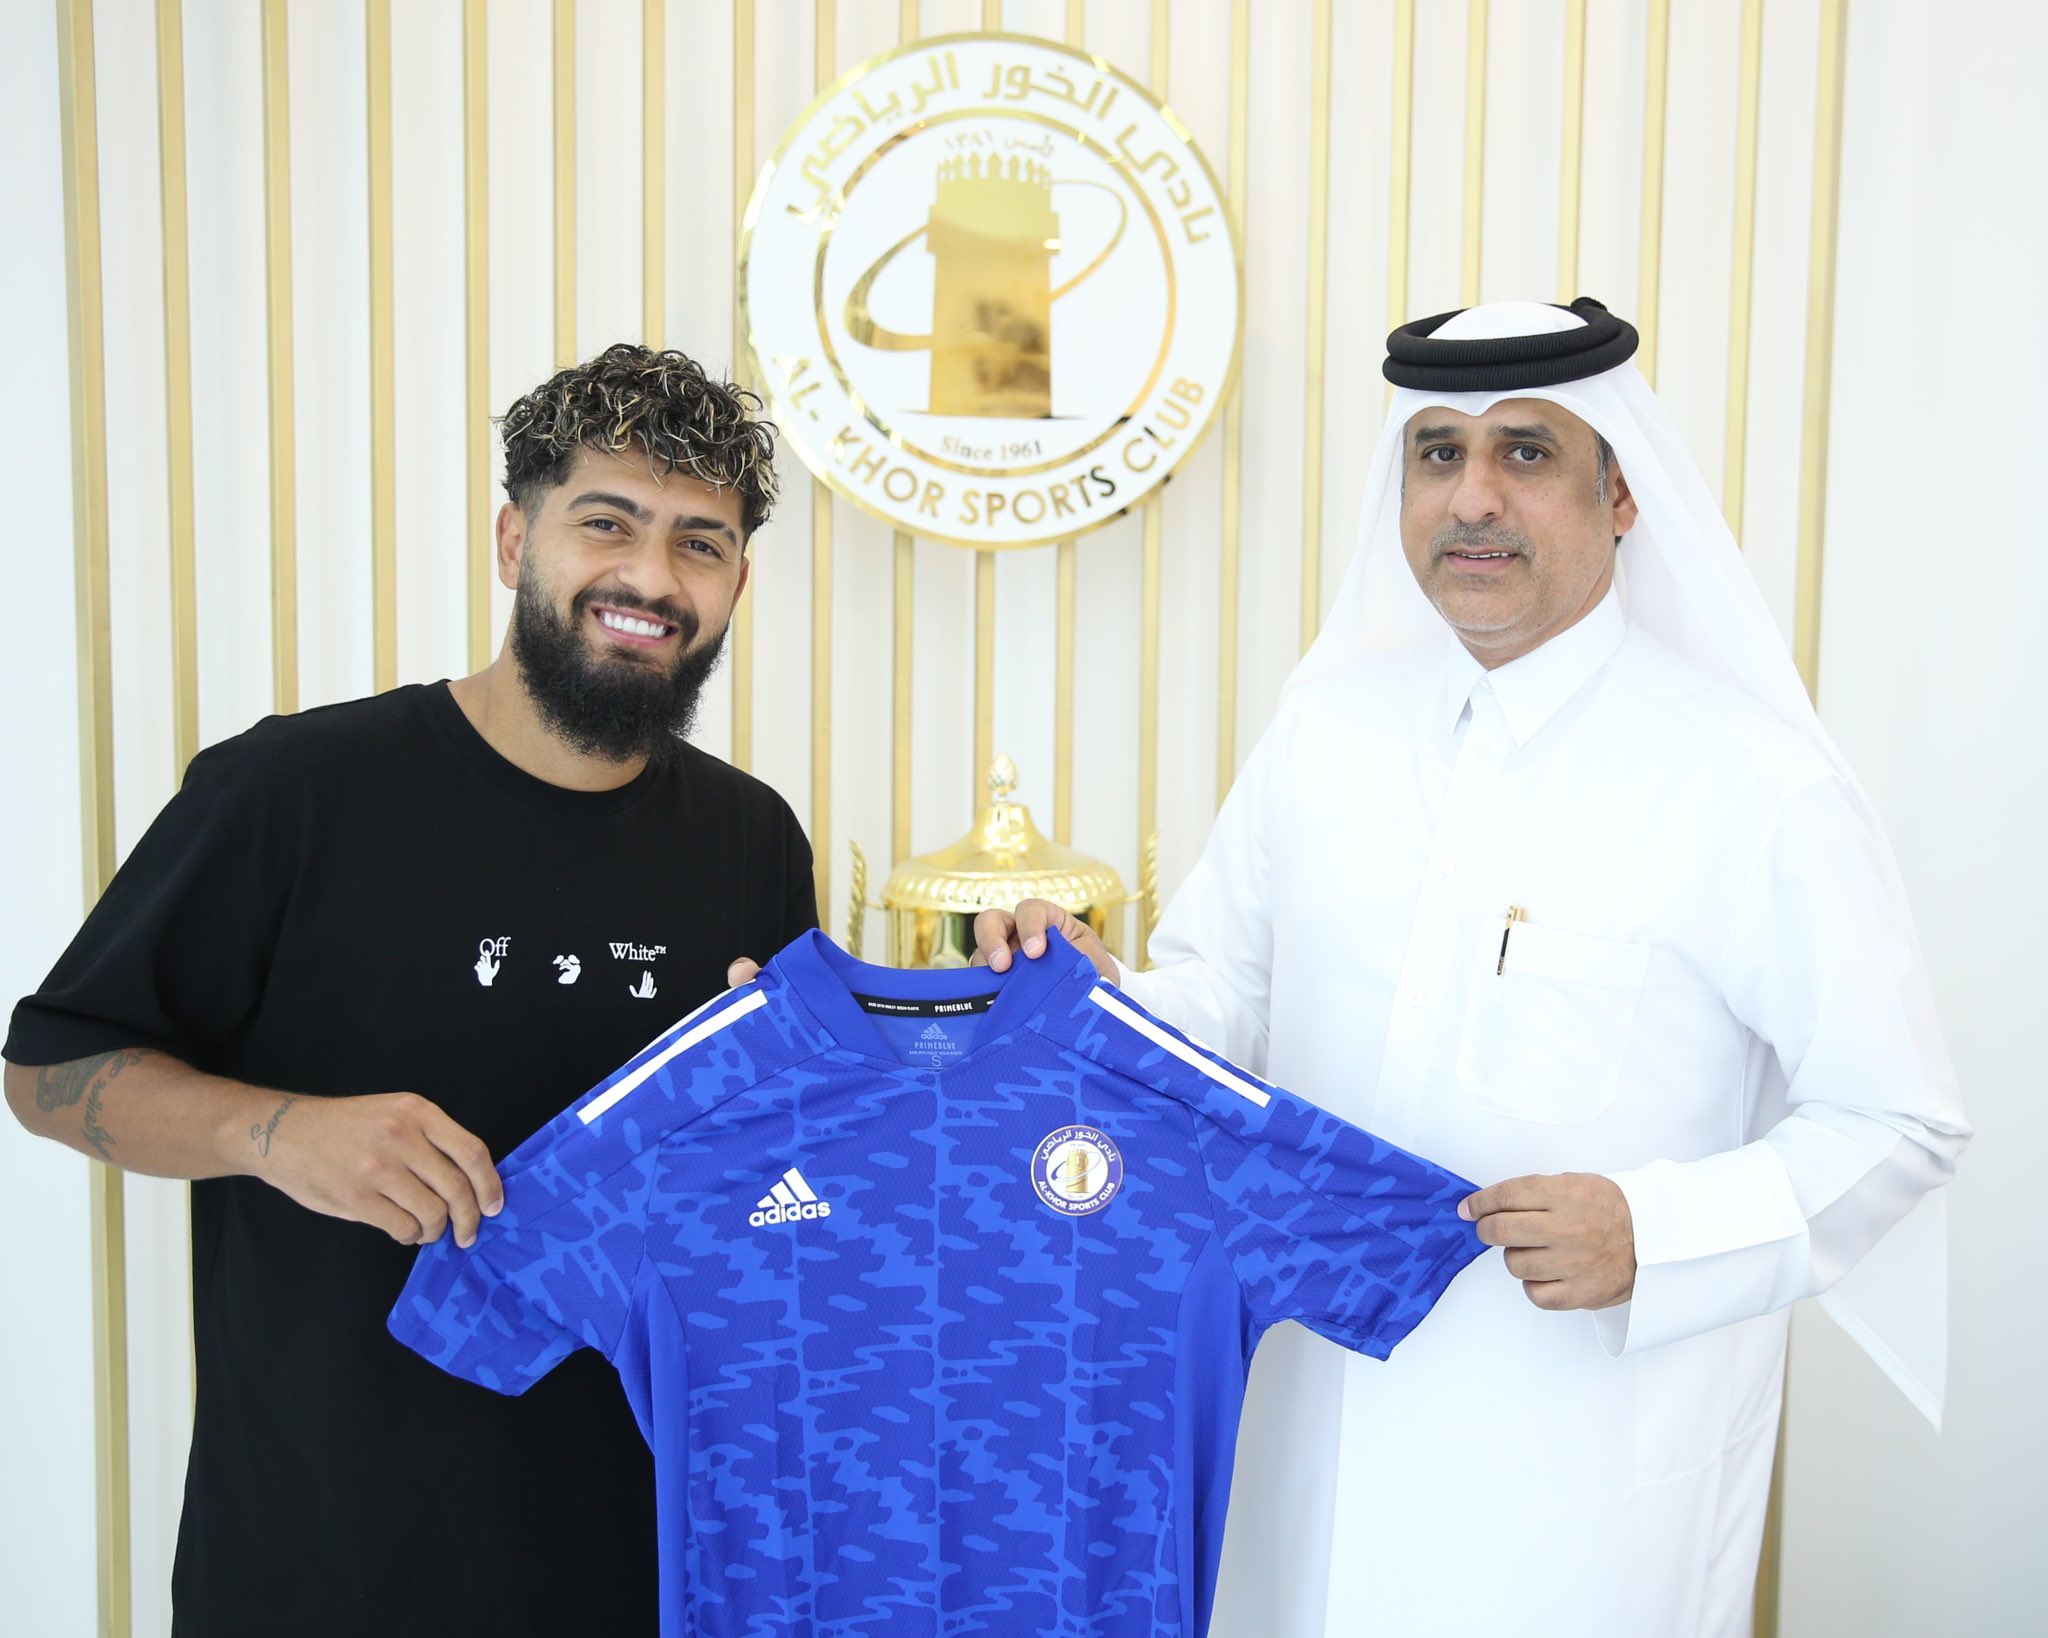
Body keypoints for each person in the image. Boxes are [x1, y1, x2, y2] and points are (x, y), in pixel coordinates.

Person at [972, 299, 1971, 1636]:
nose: (1474, 497)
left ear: (1622, 495)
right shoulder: (1326, 731)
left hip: (1579, 1485)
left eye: (1527, 453)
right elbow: (1226, 1005)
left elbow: (1897, 1118)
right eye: (1438, 453)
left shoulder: (1752, 786)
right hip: (1307, 1438)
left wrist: (1657, 1232)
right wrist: (1100, 1002)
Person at [4, 343, 817, 1637]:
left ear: (735, 584)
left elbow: (792, 1192)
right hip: (320, 1577)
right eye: (606, 523)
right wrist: (278, 1132)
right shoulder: (290, 792)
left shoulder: (753, 841)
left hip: (644, 1575)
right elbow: (46, 1072)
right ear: (514, 539)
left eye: (699, 543)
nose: (652, 579)